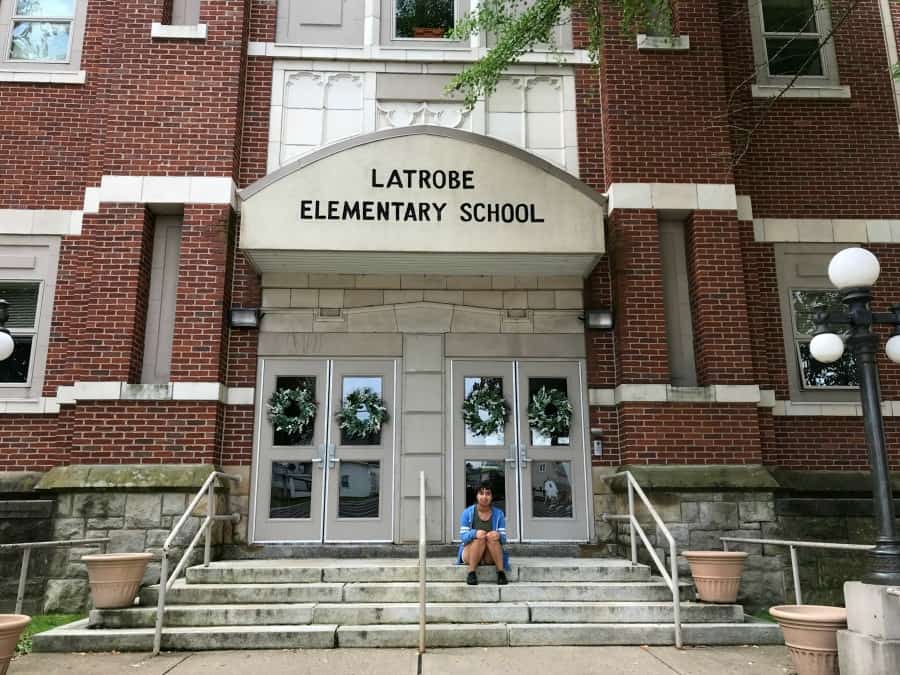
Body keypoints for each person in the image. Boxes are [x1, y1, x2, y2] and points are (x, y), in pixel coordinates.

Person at [456, 482, 509, 585]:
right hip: (470, 552)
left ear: (492, 496)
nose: (484, 496)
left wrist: (498, 536)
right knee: (479, 539)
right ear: (476, 495)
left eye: (488, 493)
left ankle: (501, 573)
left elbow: (503, 539)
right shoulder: (467, 513)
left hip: (488, 555)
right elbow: (463, 537)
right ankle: (471, 573)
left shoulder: (499, 514)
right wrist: (475, 533)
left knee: (491, 538)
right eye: (481, 493)